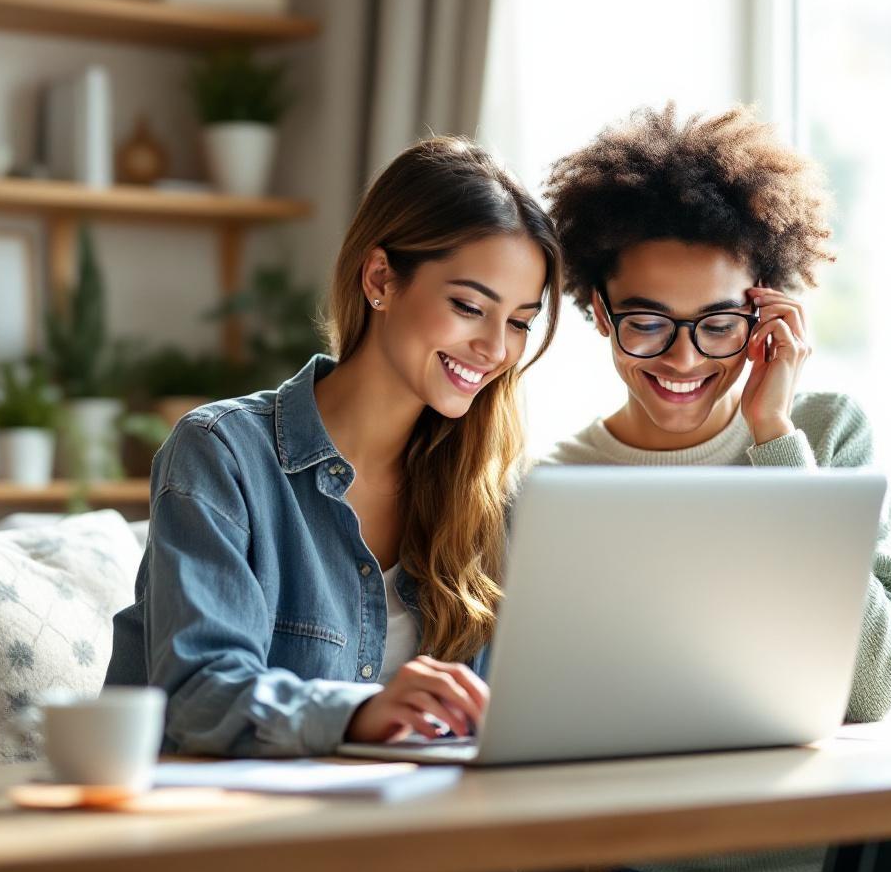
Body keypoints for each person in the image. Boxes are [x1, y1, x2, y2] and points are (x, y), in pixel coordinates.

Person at [538, 105, 891, 872]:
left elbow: (873, 691)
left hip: (831, 865)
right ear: (599, 314)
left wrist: (775, 441)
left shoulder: (824, 437)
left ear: (765, 317)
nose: (684, 358)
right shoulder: (553, 483)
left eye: (718, 323)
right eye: (648, 322)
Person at [105, 137, 562, 756]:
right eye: (469, 306)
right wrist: (363, 711)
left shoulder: (494, 497)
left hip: (427, 835)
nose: (495, 348)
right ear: (380, 279)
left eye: (518, 322)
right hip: (241, 838)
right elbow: (199, 694)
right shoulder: (222, 454)